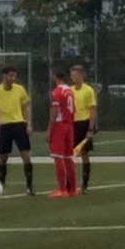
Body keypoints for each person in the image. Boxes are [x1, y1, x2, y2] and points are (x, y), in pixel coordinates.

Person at [0, 66, 34, 196]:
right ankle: (1, 184)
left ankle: (29, 186)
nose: (13, 78)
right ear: (4, 76)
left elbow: (25, 108)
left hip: (19, 125)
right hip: (5, 126)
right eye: (10, 76)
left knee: (26, 155)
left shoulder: (20, 89)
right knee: (3, 157)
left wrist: (28, 124)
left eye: (14, 76)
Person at [47, 70, 78, 198]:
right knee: (68, 158)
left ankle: (62, 190)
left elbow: (55, 110)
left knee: (58, 157)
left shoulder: (57, 91)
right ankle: (73, 189)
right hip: (70, 125)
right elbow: (74, 109)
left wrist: (49, 128)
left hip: (60, 125)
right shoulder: (70, 91)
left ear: (55, 77)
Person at [70, 65, 97, 194]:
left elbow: (92, 111)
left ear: (81, 76)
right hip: (72, 124)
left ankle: (84, 185)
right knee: (70, 154)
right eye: (72, 75)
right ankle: (70, 183)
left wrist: (90, 129)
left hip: (84, 123)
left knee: (84, 154)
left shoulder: (88, 91)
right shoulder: (70, 91)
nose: (72, 78)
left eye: (75, 75)